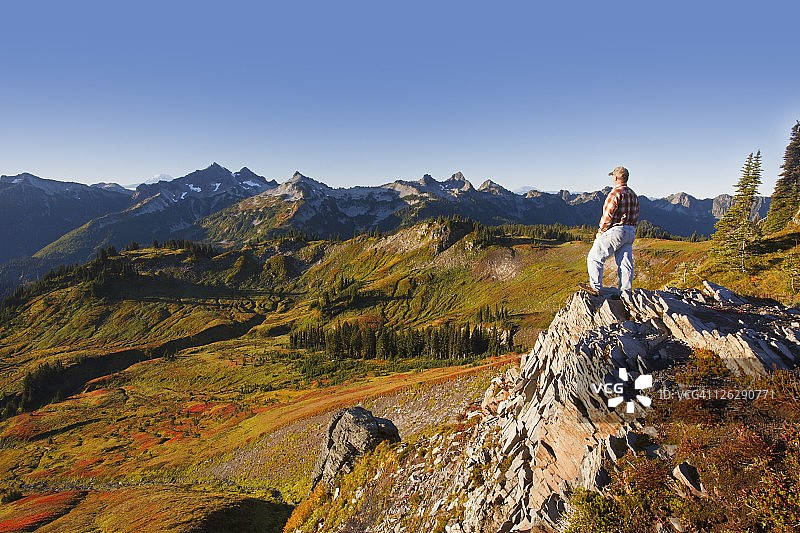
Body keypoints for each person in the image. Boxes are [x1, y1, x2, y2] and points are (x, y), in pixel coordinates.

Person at [579, 166, 639, 296]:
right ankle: (625, 292)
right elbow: (636, 214)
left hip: (617, 230)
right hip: (631, 231)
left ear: (616, 177)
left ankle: (595, 288)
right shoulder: (633, 194)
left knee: (594, 257)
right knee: (625, 262)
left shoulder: (615, 193)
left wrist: (601, 231)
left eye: (613, 176)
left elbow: (607, 215)